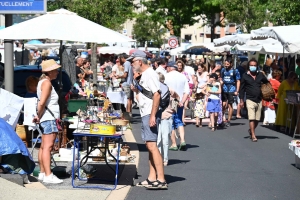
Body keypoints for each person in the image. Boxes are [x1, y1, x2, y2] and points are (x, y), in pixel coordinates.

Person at [129, 50, 167, 189]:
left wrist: (152, 115)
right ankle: (152, 177)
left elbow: (157, 94)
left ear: (140, 61)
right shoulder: (146, 74)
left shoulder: (150, 73)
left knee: (152, 146)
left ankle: (161, 179)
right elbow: (148, 94)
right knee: (149, 145)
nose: (132, 64)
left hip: (150, 113)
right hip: (146, 112)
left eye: (133, 62)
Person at [32, 59, 63, 184]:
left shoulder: (43, 82)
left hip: (46, 117)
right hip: (49, 118)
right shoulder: (47, 83)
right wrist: (38, 115)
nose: (57, 72)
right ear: (49, 71)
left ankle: (43, 173)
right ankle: (48, 175)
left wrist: (38, 116)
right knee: (48, 147)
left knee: (44, 146)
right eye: (55, 70)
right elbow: (42, 102)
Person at [239, 58, 269, 142]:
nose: (253, 67)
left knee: (257, 119)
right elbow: (242, 89)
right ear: (249, 66)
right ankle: (253, 135)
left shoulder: (260, 75)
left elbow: (267, 83)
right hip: (249, 99)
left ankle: (251, 130)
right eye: (251, 65)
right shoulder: (245, 76)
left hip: (259, 99)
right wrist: (241, 100)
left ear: (257, 66)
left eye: (254, 65)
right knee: (251, 118)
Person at [164, 61, 189, 151]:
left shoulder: (166, 76)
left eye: (167, 67)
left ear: (170, 68)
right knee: (179, 121)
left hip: (170, 102)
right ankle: (182, 140)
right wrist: (182, 101)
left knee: (171, 122)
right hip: (180, 101)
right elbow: (187, 91)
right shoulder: (183, 77)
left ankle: (174, 144)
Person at [156, 72, 179, 166]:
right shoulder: (154, 90)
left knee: (165, 140)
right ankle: (158, 158)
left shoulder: (169, 90)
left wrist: (173, 109)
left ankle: (165, 159)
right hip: (156, 117)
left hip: (166, 117)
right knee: (157, 140)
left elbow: (177, 97)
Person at [221, 58, 241, 127]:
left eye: (227, 64)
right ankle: (221, 118)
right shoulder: (223, 70)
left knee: (230, 105)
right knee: (223, 105)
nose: (226, 66)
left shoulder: (235, 71)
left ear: (231, 64)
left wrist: (237, 90)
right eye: (225, 64)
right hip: (224, 88)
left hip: (231, 89)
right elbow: (222, 79)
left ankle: (229, 120)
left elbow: (238, 81)